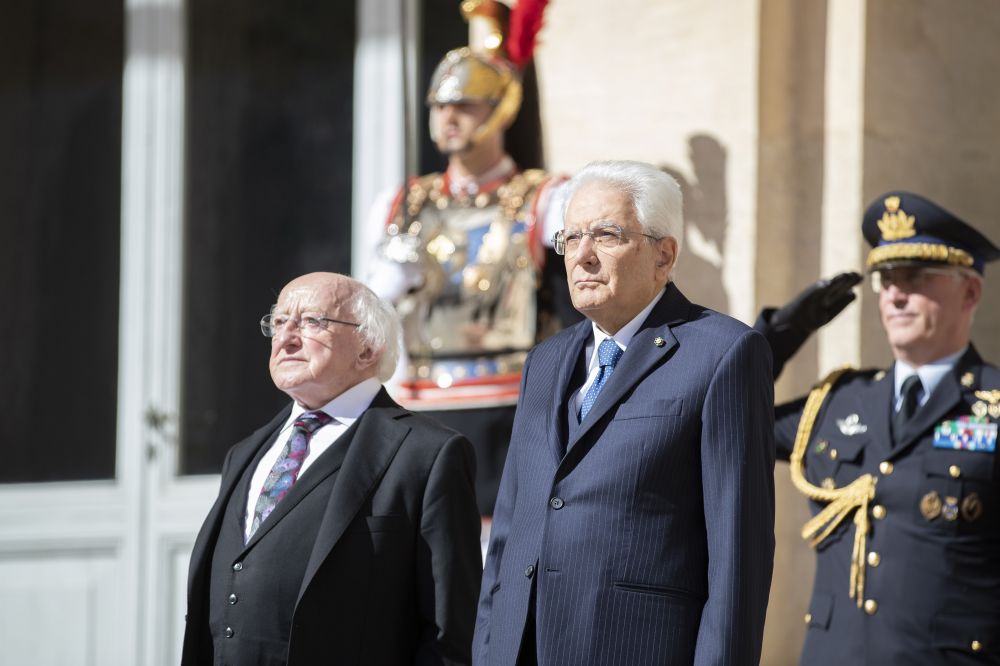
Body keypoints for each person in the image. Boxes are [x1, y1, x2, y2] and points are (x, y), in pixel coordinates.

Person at [474, 160, 776, 666]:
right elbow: (509, 528)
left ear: (664, 255)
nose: (582, 256)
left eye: (607, 235)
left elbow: (737, 557)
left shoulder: (723, 353)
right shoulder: (545, 361)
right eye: (570, 239)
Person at [181, 273, 482, 666]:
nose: (287, 337)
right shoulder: (245, 454)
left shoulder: (427, 454)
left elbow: (450, 633)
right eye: (279, 322)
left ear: (368, 349)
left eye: (311, 322)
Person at [756, 191, 1000, 664]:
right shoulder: (838, 403)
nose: (895, 294)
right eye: (886, 279)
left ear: (971, 292)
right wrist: (778, 337)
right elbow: (719, 416)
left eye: (917, 277)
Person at [365, 0, 577, 519]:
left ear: (501, 107)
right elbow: (364, 314)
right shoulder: (401, 200)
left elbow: (570, 311)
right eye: (441, 105)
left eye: (465, 104)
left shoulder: (545, 198)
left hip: (506, 403)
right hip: (418, 402)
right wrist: (387, 287)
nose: (449, 117)